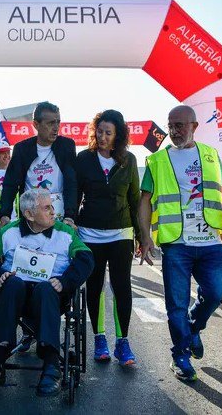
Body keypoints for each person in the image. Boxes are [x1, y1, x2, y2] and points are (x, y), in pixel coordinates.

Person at [0, 188, 94, 397]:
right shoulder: (10, 231)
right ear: (29, 214)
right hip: (15, 294)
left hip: (50, 294)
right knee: (13, 283)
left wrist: (65, 281)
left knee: (46, 289)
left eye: (52, 207)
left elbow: (86, 258)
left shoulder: (64, 232)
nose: (53, 212)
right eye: (47, 208)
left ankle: (52, 366)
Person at [138, 105, 222, 382]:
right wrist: (143, 237)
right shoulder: (157, 161)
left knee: (215, 293)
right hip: (177, 242)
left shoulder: (212, 155)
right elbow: (144, 202)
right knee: (175, 303)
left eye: (180, 125)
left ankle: (193, 326)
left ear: (194, 126)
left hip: (211, 240)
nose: (175, 131)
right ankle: (180, 355)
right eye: (171, 125)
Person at [76, 109, 140, 365]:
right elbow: (75, 193)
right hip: (90, 233)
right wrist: (70, 220)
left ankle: (122, 342)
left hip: (121, 233)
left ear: (118, 135)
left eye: (108, 133)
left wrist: (141, 236)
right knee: (95, 286)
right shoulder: (84, 159)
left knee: (121, 286)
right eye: (99, 131)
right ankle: (99, 338)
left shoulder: (129, 160)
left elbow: (135, 199)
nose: (102, 137)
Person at [0, 101, 77, 229]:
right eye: (51, 123)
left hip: (60, 215)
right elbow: (10, 184)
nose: (56, 127)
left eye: (58, 122)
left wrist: (70, 215)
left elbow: (72, 183)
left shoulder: (66, 146)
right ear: (36, 124)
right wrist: (5, 214)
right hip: (31, 214)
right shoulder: (22, 149)